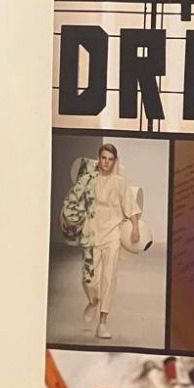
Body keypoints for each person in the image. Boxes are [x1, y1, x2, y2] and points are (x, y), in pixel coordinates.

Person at [74, 143, 143, 340]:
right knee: (89, 278)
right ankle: (93, 301)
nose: (106, 162)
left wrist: (135, 227)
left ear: (114, 161)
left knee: (109, 277)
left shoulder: (120, 183)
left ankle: (102, 323)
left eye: (110, 159)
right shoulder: (90, 179)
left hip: (113, 234)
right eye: (103, 158)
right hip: (92, 233)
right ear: (99, 158)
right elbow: (79, 204)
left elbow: (129, 205)